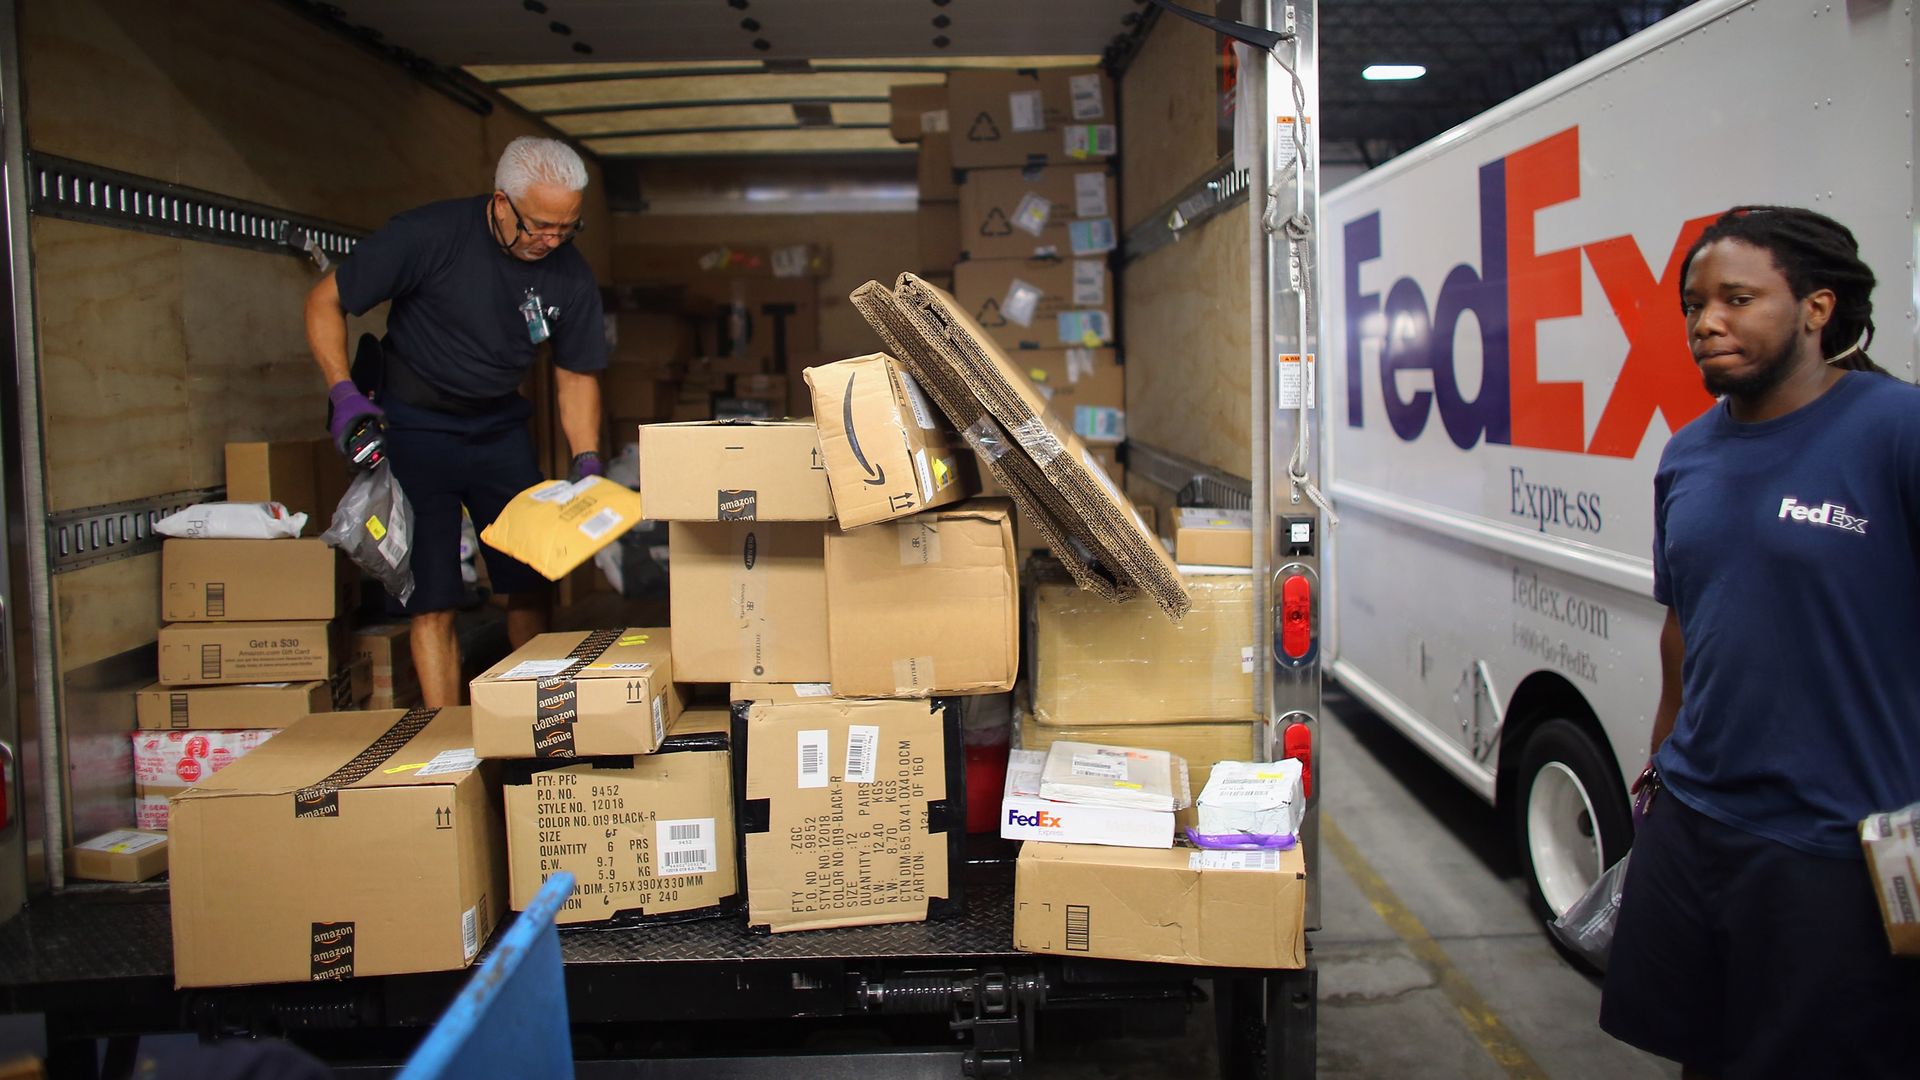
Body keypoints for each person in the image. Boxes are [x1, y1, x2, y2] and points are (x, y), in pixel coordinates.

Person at [1600, 206, 1920, 1077]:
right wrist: (1658, 775)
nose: (1707, 323)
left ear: (1818, 308)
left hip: (1831, 844)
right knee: (1701, 1052)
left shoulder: (1895, 430)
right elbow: (1685, 627)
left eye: (1737, 299)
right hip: (1695, 818)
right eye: (1695, 305)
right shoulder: (1690, 454)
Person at [304, 136, 606, 708]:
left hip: (499, 430)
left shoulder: (569, 273)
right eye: (539, 225)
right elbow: (325, 299)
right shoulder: (427, 236)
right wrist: (343, 392)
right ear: (500, 202)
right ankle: (452, 744)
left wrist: (586, 457)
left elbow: (575, 372)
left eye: (566, 228)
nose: (551, 240)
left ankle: (533, 718)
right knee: (432, 597)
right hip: (417, 429)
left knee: (532, 577)